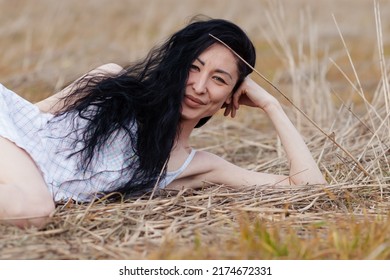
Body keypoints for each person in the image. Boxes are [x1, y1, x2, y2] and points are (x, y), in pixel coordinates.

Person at [0, 17, 326, 228]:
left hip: (20, 180)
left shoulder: (194, 166)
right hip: (11, 144)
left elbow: (310, 188)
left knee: (34, 208)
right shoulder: (111, 78)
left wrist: (272, 107)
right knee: (35, 209)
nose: (199, 86)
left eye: (219, 79)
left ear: (232, 95)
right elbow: (30, 116)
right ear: (175, 65)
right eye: (193, 68)